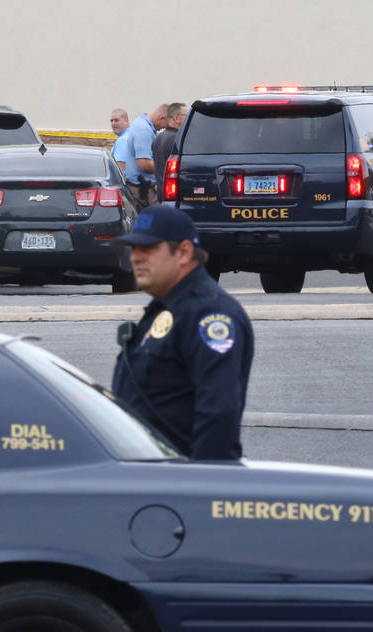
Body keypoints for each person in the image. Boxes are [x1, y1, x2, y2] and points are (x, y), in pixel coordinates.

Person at [111, 205, 254, 460]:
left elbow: (217, 414)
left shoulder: (209, 315)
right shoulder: (168, 308)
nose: (135, 257)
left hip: (180, 482)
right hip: (151, 478)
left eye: (148, 248)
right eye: (133, 249)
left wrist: (195, 487)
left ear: (184, 252)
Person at [121, 104, 168, 207]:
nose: (163, 129)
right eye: (165, 125)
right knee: (154, 220)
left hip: (141, 187)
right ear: (162, 118)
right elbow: (144, 164)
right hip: (142, 191)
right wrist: (168, 169)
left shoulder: (141, 123)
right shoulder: (144, 130)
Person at [153, 102, 188, 202]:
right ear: (176, 118)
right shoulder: (178, 140)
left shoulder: (158, 138)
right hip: (175, 196)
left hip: (161, 195)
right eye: (186, 115)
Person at [109, 108, 130, 175]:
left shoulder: (123, 140)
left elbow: (120, 170)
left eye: (116, 120)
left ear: (126, 121)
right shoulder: (129, 135)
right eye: (111, 121)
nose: (113, 123)